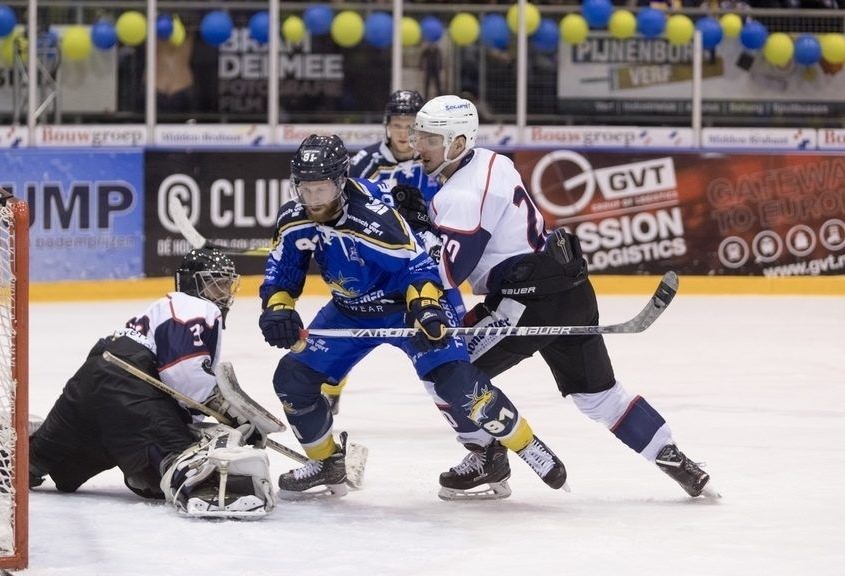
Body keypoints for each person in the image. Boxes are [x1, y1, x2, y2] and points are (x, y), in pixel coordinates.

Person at [406, 95, 716, 499]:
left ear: (458, 143)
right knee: (600, 396)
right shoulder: (494, 161)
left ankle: (487, 457)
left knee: (440, 371)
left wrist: (421, 229)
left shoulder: (459, 196)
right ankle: (674, 458)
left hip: (523, 303)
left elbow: (448, 273)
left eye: (429, 138)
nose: (418, 147)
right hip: (569, 287)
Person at [258, 134, 567, 500]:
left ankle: (514, 445)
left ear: (341, 182)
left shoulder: (373, 217)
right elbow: (283, 273)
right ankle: (327, 462)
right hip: (351, 310)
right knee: (292, 378)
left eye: (321, 190)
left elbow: (418, 267)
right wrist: (277, 308)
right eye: (305, 190)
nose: (312, 201)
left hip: (407, 306)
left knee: (454, 382)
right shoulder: (293, 219)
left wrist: (426, 306)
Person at [29, 248, 277, 518]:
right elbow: (184, 374)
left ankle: (17, 453)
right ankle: (199, 480)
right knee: (182, 453)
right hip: (127, 386)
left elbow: (173, 387)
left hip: (92, 383)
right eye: (215, 284)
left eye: (227, 285)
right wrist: (230, 414)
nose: (223, 292)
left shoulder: (162, 309)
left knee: (50, 463)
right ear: (192, 282)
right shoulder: (193, 305)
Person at [320, 90, 441, 416]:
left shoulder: (433, 160)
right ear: (387, 126)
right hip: (377, 264)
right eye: (398, 124)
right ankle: (330, 387)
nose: (404, 133)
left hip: (421, 265)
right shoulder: (363, 163)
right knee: (346, 329)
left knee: (442, 332)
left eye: (411, 126)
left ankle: (457, 395)